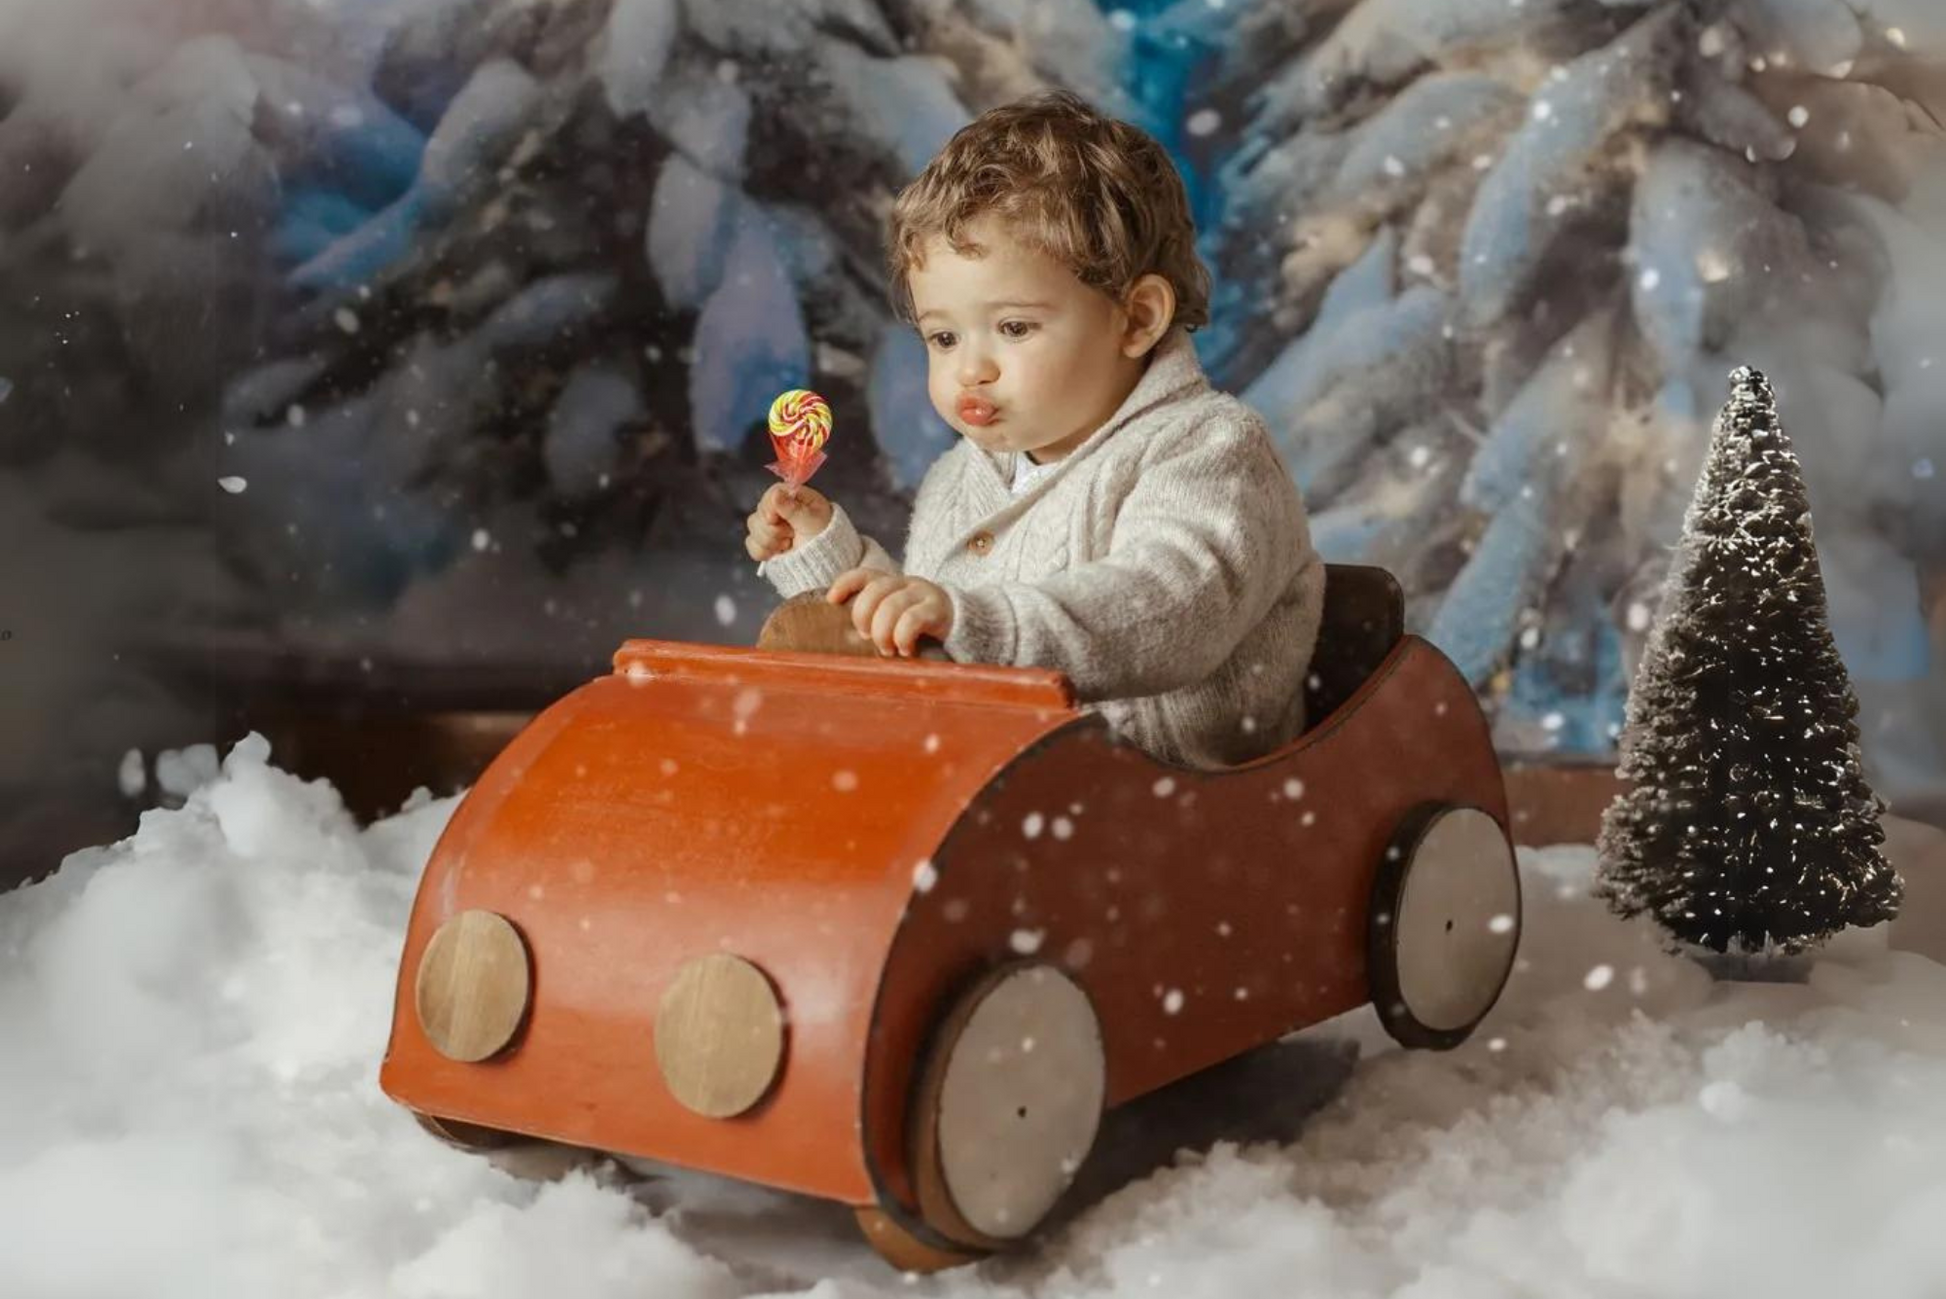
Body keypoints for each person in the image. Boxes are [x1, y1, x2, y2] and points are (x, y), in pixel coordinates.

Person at [744, 90, 1324, 769]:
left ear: (1135, 320)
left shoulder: (1208, 450)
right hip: (1003, 794)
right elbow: (934, 639)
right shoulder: (962, 477)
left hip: (1177, 811)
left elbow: (1169, 611)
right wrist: (832, 561)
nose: (971, 369)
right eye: (943, 336)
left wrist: (974, 624)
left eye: (1014, 327)